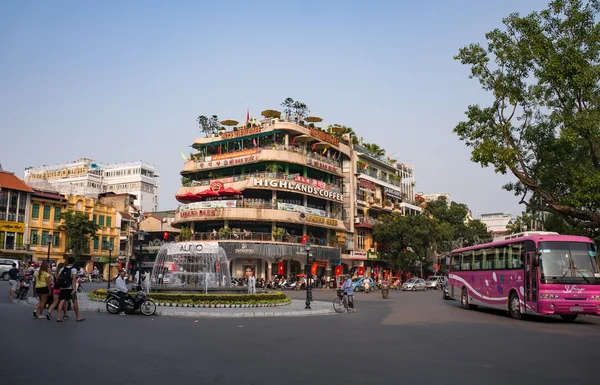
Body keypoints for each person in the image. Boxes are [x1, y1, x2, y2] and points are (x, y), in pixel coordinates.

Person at [56, 257, 85, 322]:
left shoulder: (63, 268)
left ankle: (58, 317)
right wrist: (74, 288)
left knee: (61, 302)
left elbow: (57, 277)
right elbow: (74, 278)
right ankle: (78, 317)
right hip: (70, 288)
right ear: (73, 262)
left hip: (63, 288)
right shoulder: (73, 269)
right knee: (75, 302)